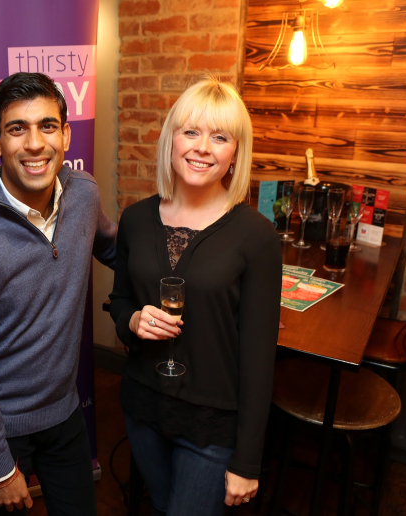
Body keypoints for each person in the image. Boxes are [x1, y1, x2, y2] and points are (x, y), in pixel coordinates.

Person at [0, 72, 116, 516]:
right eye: (18, 129)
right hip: (1, 431)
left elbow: (118, 249)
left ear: (66, 134)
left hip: (66, 414)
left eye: (47, 126)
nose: (35, 144)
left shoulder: (84, 195)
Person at [109, 75, 281, 515]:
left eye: (220, 137)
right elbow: (122, 301)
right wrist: (132, 322)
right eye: (191, 131)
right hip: (144, 406)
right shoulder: (135, 219)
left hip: (212, 423)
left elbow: (259, 358)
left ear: (234, 152)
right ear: (172, 139)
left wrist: (247, 461)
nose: (203, 148)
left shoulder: (256, 236)